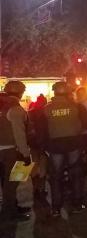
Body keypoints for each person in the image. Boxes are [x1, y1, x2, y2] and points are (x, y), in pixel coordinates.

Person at [42, 82, 87, 217]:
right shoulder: (76, 106)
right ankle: (77, 204)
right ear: (68, 92)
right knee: (76, 174)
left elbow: (41, 131)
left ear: (54, 93)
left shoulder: (46, 109)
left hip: (55, 146)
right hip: (74, 143)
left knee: (56, 177)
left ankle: (56, 208)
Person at [0, 81, 31, 222]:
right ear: (20, 92)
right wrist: (25, 154)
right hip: (11, 150)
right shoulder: (15, 108)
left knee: (4, 182)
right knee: (13, 182)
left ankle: (11, 206)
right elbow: (19, 134)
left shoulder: (2, 104)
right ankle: (10, 212)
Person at [28, 94, 48, 202]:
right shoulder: (45, 113)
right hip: (43, 144)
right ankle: (42, 189)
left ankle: (35, 189)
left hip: (32, 143)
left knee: (34, 165)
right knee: (43, 166)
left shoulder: (29, 113)